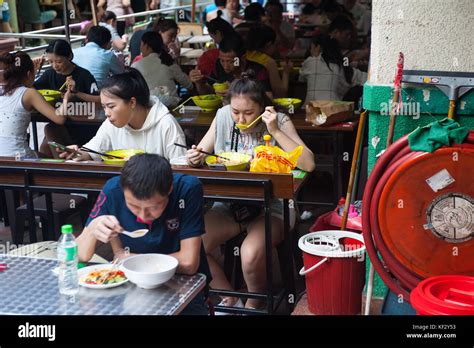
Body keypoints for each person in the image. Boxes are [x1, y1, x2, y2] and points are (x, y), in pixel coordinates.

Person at [186, 73, 315, 310]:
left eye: (248, 112)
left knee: (250, 253)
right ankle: (228, 295)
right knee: (192, 243)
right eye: (236, 112)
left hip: (273, 208)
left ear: (262, 107)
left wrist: (275, 130)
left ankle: (254, 303)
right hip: (229, 205)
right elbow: (202, 152)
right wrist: (194, 157)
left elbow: (308, 164)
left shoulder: (279, 120)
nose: (240, 118)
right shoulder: (223, 116)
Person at [77, 153, 211, 315]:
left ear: (169, 189)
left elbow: (189, 263)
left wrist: (128, 259)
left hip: (182, 285)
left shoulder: (186, 189)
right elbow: (80, 255)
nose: (142, 216)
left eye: (153, 207)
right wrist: (93, 228)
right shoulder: (113, 190)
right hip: (130, 285)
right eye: (133, 206)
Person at [57, 68, 186, 162]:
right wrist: (76, 153)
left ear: (132, 102)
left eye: (111, 106)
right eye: (104, 107)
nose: (107, 113)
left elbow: (180, 169)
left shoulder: (166, 124)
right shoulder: (111, 124)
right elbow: (92, 151)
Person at [34, 39, 101, 155]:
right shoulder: (50, 74)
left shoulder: (84, 75)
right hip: (62, 125)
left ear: (69, 56)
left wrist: (77, 93)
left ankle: (65, 167)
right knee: (44, 148)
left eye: (58, 61)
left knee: (49, 131)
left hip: (84, 128)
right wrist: (35, 71)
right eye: (50, 62)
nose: (54, 66)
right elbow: (31, 90)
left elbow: (99, 100)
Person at [0, 51, 69, 157]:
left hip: (4, 159)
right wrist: (66, 97)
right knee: (48, 157)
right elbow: (59, 119)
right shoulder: (29, 94)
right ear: (28, 74)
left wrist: (31, 72)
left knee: (43, 151)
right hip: (17, 158)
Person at [299, 34, 367, 104]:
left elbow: (301, 79)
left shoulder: (310, 62)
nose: (310, 51)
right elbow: (367, 79)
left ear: (318, 47)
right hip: (335, 111)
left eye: (311, 48)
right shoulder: (344, 68)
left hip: (311, 110)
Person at [131, 31, 192, 107]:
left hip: (149, 106)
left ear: (146, 46)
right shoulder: (169, 62)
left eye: (141, 45)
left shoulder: (136, 66)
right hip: (172, 105)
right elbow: (189, 85)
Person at [244, 24, 292, 98]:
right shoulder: (268, 62)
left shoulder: (243, 56)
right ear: (268, 44)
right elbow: (280, 94)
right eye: (275, 44)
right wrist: (286, 71)